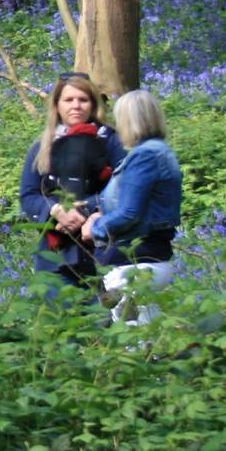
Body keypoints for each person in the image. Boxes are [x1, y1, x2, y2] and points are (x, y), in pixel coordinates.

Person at [18, 73, 125, 294]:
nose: (76, 106)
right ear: (57, 105)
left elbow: (125, 188)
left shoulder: (112, 141)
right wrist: (56, 210)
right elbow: (28, 196)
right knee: (62, 323)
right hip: (55, 254)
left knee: (106, 322)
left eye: (83, 100)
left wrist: (92, 211)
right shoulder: (42, 146)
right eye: (68, 100)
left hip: (102, 249)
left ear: (93, 104)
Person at [83, 89, 183, 323]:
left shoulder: (145, 156)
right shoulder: (158, 152)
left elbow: (129, 212)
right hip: (147, 258)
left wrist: (96, 228)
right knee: (146, 334)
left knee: (135, 342)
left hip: (135, 262)